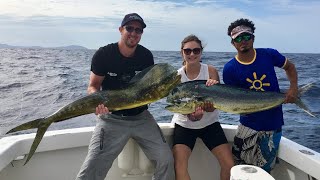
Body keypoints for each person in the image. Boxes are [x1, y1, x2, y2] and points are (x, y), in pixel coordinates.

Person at [76, 13, 174, 180]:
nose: (134, 33)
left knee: (166, 159)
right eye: (129, 28)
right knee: (92, 165)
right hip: (111, 118)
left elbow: (150, 89)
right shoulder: (104, 54)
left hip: (141, 118)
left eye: (139, 30)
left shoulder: (146, 56)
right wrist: (97, 101)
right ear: (121, 29)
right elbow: (93, 86)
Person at [223, 18, 298, 173]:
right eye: (238, 38)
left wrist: (293, 88)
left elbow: (290, 67)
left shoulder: (269, 54)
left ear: (253, 38)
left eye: (246, 37)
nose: (243, 41)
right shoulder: (229, 69)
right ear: (233, 43)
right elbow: (233, 99)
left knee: (264, 171)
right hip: (247, 127)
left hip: (273, 125)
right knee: (240, 170)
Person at [171, 34, 234, 180]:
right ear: (182, 53)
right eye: (187, 51)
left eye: (196, 50)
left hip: (209, 123)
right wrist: (191, 116)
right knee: (179, 165)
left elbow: (215, 105)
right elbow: (177, 104)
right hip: (184, 125)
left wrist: (208, 107)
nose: (192, 54)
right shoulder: (176, 77)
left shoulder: (211, 71)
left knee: (229, 165)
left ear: (201, 52)